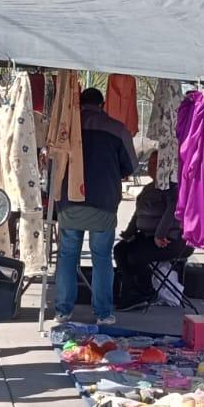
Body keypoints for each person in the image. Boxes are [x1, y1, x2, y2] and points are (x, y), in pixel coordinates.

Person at [54, 87, 137, 325]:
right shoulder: (117, 129)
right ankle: (103, 313)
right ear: (102, 104)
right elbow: (130, 165)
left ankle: (63, 310)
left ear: (79, 104)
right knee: (102, 257)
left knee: (68, 256)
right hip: (104, 202)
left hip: (70, 202)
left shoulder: (67, 129)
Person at [114, 152, 190, 309]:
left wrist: (160, 234)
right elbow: (138, 215)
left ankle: (147, 291)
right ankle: (132, 291)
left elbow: (172, 211)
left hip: (170, 239)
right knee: (120, 250)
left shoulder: (172, 187)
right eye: (150, 163)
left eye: (156, 163)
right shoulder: (148, 189)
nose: (151, 166)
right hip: (148, 237)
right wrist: (129, 233)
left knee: (137, 255)